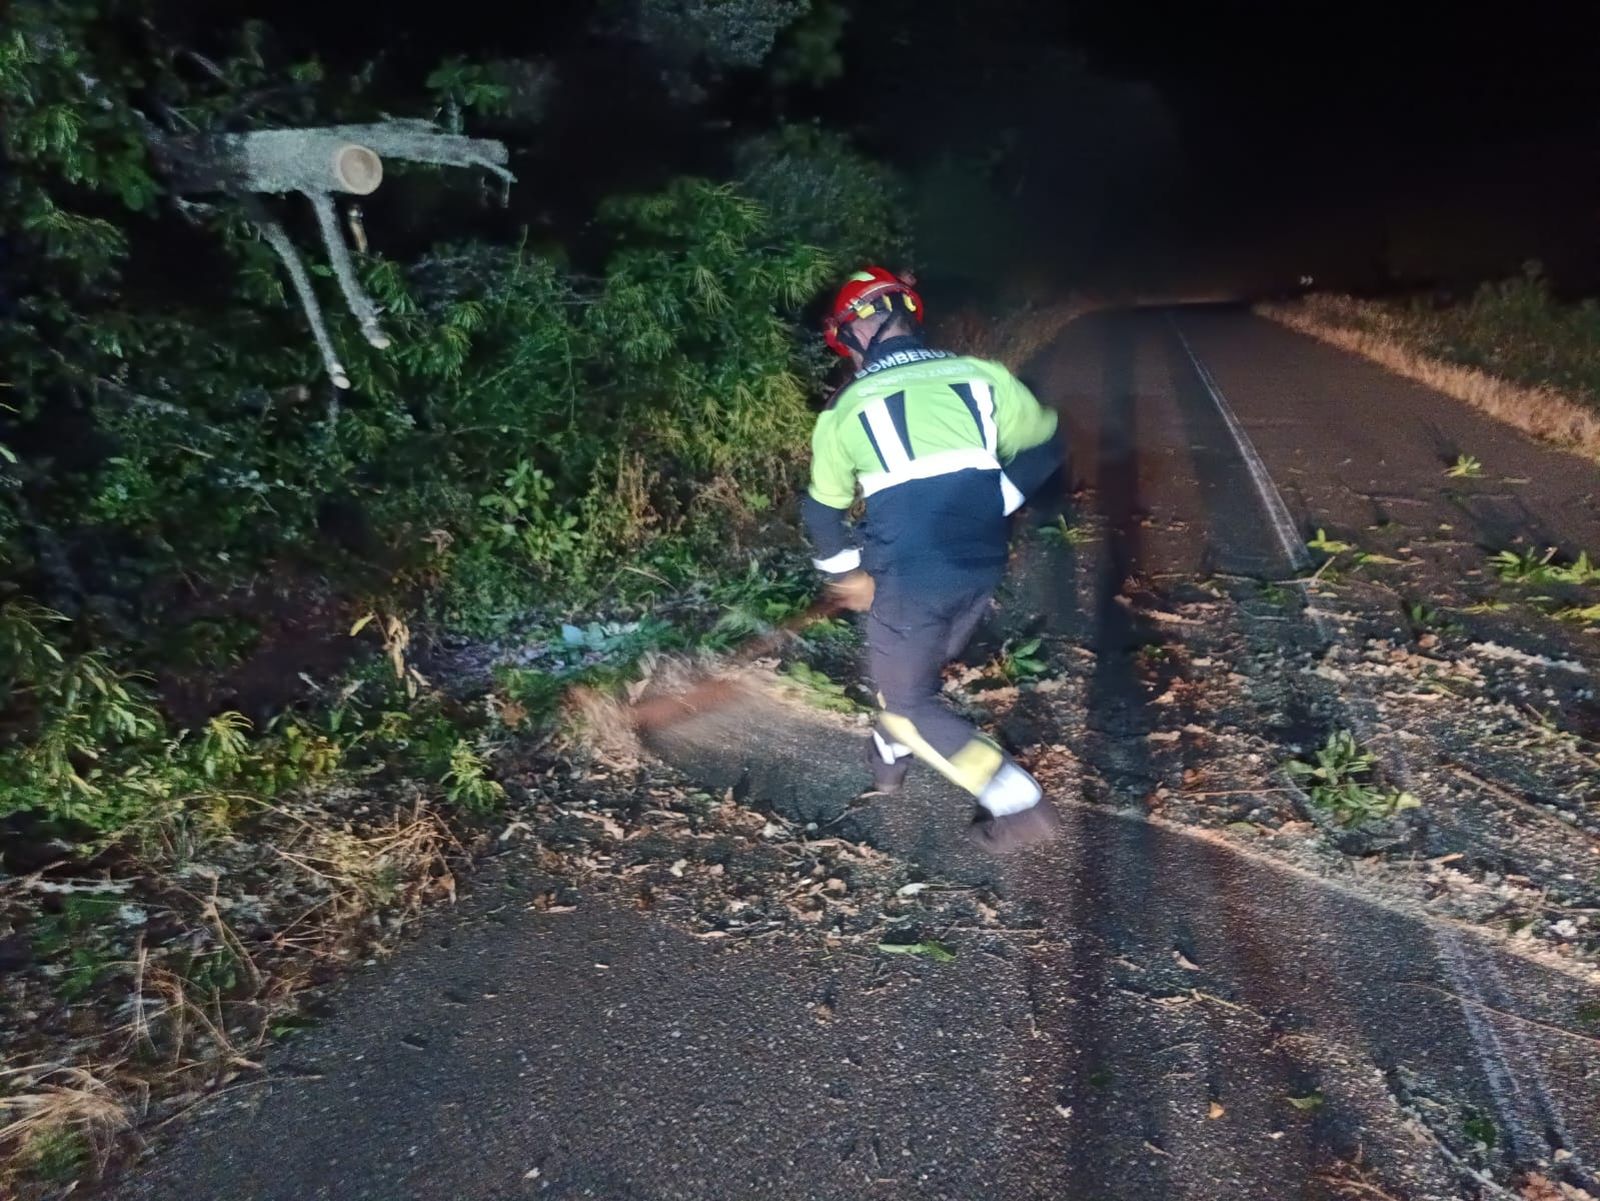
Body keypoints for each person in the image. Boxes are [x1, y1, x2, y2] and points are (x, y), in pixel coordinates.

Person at [802, 266, 1063, 852]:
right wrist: (994, 502)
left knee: (909, 701)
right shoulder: (981, 375)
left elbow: (822, 512)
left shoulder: (845, 410)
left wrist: (845, 572)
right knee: (911, 669)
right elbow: (1046, 444)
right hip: (980, 564)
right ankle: (890, 758)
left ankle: (1015, 800)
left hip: (910, 577)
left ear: (854, 334)